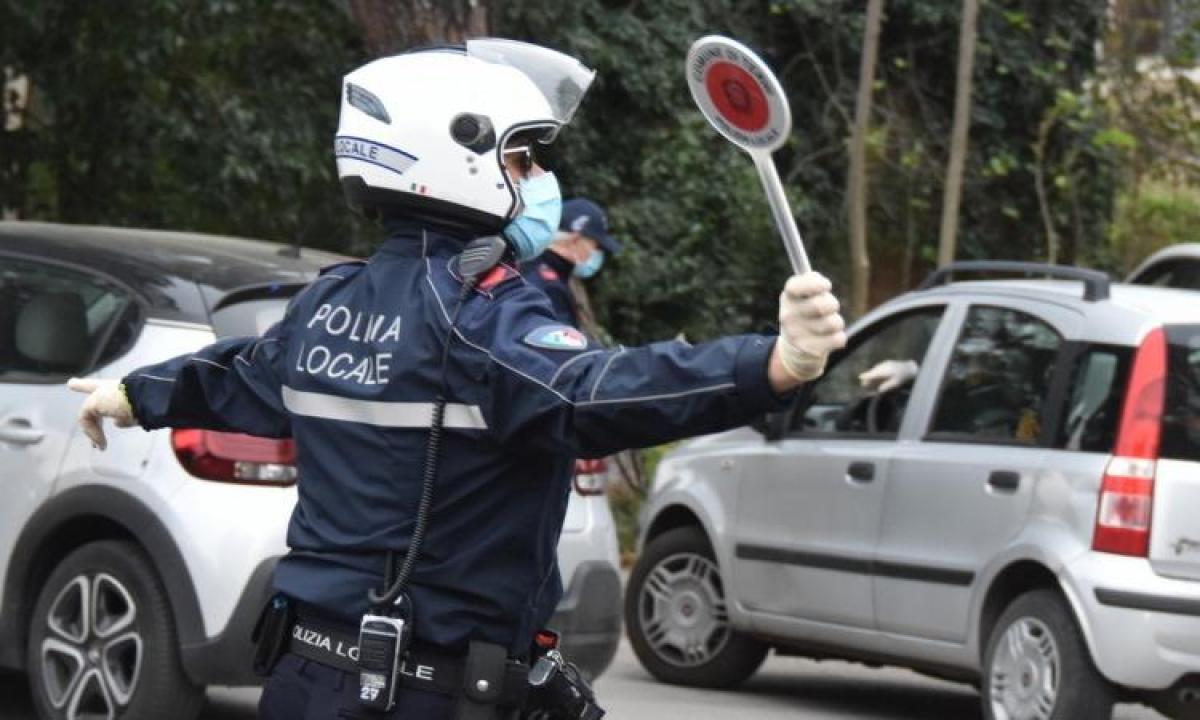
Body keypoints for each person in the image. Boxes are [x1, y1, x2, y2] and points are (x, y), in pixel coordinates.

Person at [67, 39, 846, 720]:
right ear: (456, 157)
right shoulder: (482, 319)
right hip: (420, 692)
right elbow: (596, 389)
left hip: (306, 679)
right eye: (522, 157)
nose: (539, 176)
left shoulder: (328, 306)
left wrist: (136, 393)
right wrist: (773, 364)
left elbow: (237, 374)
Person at [520, 198, 620, 326]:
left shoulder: (534, 265)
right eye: (596, 246)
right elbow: (561, 341)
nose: (597, 254)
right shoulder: (549, 286)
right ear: (575, 238)